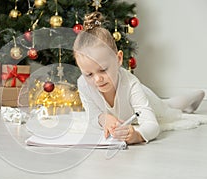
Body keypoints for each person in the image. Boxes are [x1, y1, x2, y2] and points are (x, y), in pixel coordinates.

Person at [73, 12, 205, 145]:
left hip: (149, 99)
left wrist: (137, 135)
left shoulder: (131, 84)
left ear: (118, 59)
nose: (97, 79)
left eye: (103, 70)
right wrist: (104, 119)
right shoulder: (83, 84)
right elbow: (92, 116)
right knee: (170, 105)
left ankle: (194, 95)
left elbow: (152, 125)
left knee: (169, 107)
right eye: (89, 74)